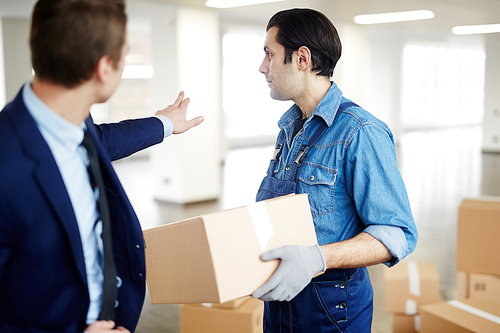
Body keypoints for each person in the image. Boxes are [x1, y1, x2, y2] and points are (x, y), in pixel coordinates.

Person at [0, 0, 203, 332]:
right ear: (104, 67)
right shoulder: (7, 163)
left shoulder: (75, 124)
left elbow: (103, 140)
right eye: (124, 56)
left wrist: (164, 123)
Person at [251, 8, 418, 332]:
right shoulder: (290, 129)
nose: (262, 67)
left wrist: (318, 258)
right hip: (281, 309)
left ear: (302, 58)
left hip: (332, 315)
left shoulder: (360, 132)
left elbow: (397, 234)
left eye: (269, 55)